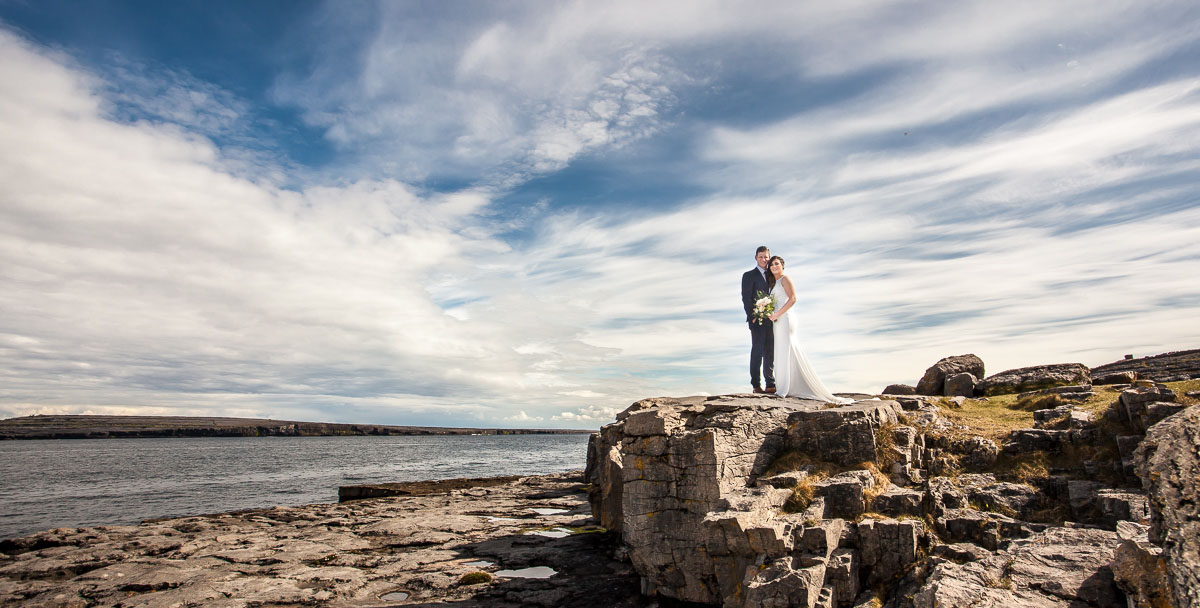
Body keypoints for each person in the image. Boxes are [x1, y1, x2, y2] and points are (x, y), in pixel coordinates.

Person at [765, 255, 852, 404]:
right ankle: (787, 386)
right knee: (782, 350)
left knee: (786, 349)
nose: (774, 266)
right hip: (777, 320)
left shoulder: (785, 279)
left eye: (777, 264)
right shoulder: (775, 283)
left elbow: (793, 299)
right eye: (772, 265)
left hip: (785, 319)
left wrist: (778, 314)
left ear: (783, 266)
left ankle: (784, 389)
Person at [741, 246, 775, 394]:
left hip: (773, 320)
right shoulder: (749, 275)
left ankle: (770, 383)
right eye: (761, 257)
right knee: (757, 351)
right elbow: (746, 298)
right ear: (756, 257)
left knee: (770, 352)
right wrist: (752, 316)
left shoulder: (773, 274)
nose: (764, 260)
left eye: (766, 257)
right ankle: (756, 385)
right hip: (757, 320)